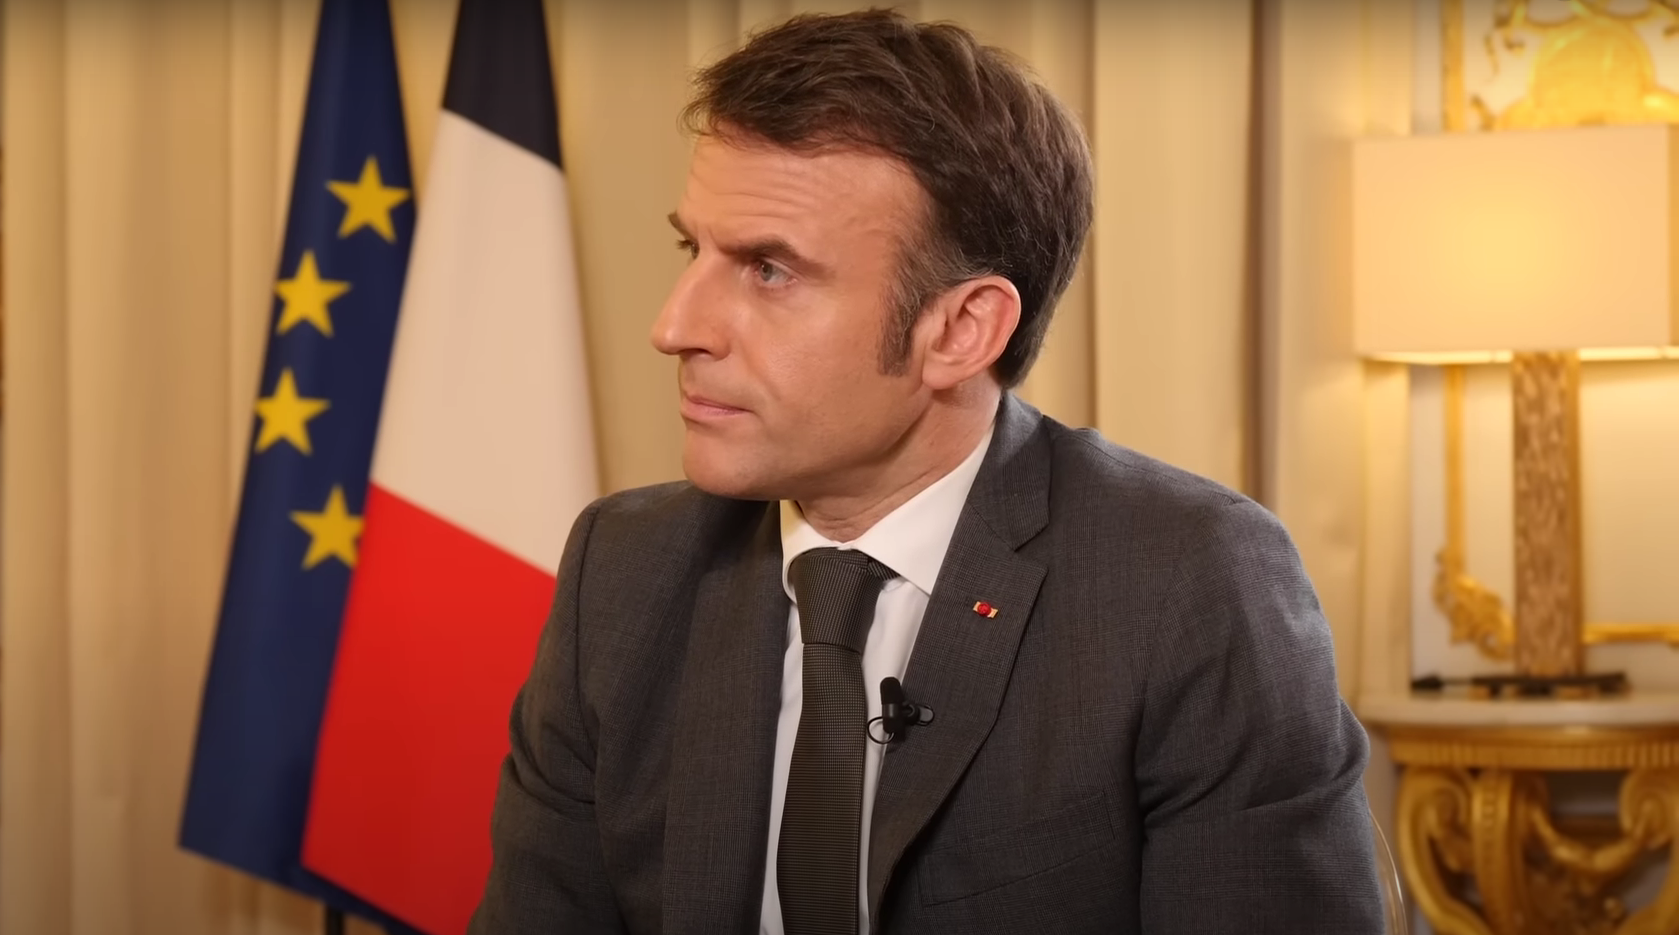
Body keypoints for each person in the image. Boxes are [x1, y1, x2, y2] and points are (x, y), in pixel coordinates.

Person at [469, 10, 1381, 935]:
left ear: (960, 331)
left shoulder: (1190, 583)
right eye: (691, 249)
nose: (674, 326)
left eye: (770, 270)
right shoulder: (622, 569)